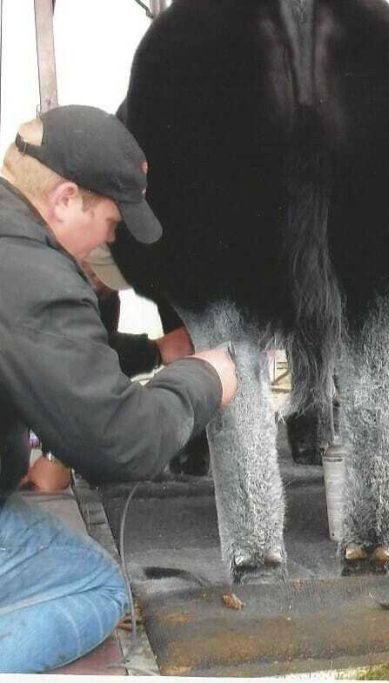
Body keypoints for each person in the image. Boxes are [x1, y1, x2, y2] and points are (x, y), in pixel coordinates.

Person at [0, 105, 237, 673]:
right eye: (110, 221)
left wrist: (155, 353)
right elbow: (119, 442)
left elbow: (45, 352)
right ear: (63, 199)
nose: (111, 236)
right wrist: (205, 378)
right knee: (98, 588)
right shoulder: (30, 269)